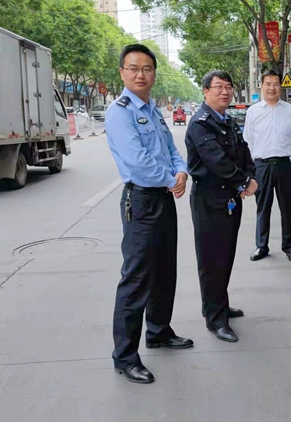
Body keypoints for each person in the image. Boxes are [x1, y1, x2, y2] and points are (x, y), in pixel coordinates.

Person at [105, 44, 193, 384]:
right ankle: (125, 356)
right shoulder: (120, 112)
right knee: (137, 278)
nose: (140, 74)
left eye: (146, 68)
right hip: (141, 200)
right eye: (133, 68)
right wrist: (172, 180)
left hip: (163, 198)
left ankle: (158, 330)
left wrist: (181, 171)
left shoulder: (153, 111)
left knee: (164, 269)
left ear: (154, 74)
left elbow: (171, 149)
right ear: (122, 73)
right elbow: (137, 162)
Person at [185, 70, 257, 343]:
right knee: (211, 261)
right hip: (209, 200)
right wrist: (244, 182)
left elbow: (244, 152)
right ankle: (215, 319)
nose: (225, 92)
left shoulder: (227, 121)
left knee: (225, 257)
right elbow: (218, 161)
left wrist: (250, 178)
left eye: (228, 87)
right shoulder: (200, 124)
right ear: (206, 91)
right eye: (218, 87)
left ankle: (219, 304)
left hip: (230, 198)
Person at [244, 70, 291, 263]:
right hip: (261, 166)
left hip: (284, 165)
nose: (272, 88)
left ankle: (290, 246)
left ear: (280, 86)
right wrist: (248, 170)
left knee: (287, 208)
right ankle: (261, 246)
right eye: (268, 84)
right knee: (262, 207)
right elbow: (248, 142)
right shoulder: (253, 111)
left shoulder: (289, 110)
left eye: (276, 84)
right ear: (261, 86)